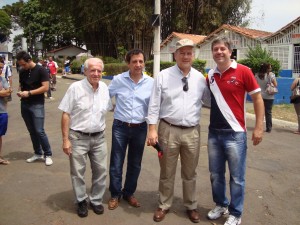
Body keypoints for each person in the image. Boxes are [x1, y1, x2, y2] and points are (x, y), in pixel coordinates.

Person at [146, 39, 209, 223]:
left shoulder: (199, 78)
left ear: (193, 55)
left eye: (189, 53)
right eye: (182, 52)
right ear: (175, 55)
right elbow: (154, 104)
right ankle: (164, 204)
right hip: (168, 129)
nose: (186, 56)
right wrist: (152, 129)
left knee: (190, 172)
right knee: (167, 170)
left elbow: (208, 101)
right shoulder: (163, 76)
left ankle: (191, 205)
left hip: (192, 132)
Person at [206, 37, 264, 225]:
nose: (219, 52)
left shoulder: (244, 71)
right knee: (216, 174)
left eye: (222, 48)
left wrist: (259, 127)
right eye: (215, 49)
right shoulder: (210, 75)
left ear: (230, 52)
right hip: (214, 133)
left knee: (237, 177)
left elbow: (257, 99)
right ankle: (221, 204)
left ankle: (236, 213)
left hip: (236, 134)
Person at [58, 58, 112, 218]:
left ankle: (95, 200)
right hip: (78, 137)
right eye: (92, 70)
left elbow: (107, 109)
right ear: (85, 71)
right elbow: (66, 114)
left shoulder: (104, 88)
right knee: (77, 172)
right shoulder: (75, 88)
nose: (96, 74)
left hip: (99, 137)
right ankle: (81, 200)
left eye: (99, 71)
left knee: (101, 171)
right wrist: (65, 140)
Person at [107, 49, 154, 210]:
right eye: (134, 61)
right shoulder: (118, 79)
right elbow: (106, 96)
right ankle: (115, 194)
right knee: (116, 162)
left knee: (135, 163)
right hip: (120, 127)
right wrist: (108, 110)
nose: (138, 65)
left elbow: (153, 107)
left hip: (140, 128)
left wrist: (153, 128)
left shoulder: (150, 82)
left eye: (141, 61)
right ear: (128, 63)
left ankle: (128, 193)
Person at [16, 51, 53, 166]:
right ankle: (37, 152)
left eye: (23, 64)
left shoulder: (41, 70)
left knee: (39, 130)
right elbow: (21, 85)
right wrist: (20, 92)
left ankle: (48, 154)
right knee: (32, 131)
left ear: (29, 60)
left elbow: (45, 87)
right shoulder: (22, 72)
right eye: (20, 65)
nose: (22, 67)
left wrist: (30, 93)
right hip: (25, 104)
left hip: (37, 104)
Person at [255, 63, 277, 133]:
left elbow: (255, 85)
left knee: (259, 112)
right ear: (266, 69)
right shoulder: (271, 75)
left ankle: (259, 126)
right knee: (268, 112)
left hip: (260, 96)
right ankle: (268, 128)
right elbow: (276, 84)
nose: (271, 69)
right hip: (269, 96)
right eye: (269, 68)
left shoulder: (257, 75)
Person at [0, 62, 12, 165]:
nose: (0, 70)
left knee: (0, 136)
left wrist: (5, 91)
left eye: (1, 68)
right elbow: (5, 92)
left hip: (2, 111)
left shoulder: (3, 79)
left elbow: (8, 92)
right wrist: (2, 92)